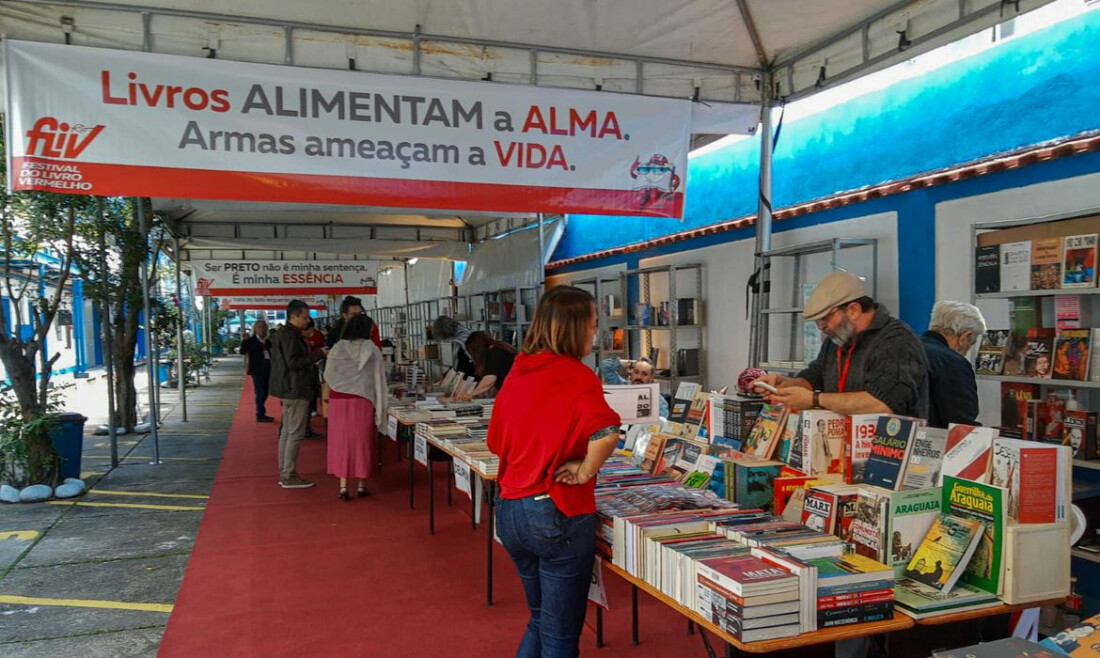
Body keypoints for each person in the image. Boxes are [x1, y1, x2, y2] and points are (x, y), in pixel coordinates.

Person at [488, 285, 621, 658]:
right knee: (561, 636)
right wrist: (584, 470)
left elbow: (496, 443)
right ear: (574, 327)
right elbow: (607, 432)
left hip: (511, 508)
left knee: (539, 620)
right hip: (556, 510)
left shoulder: (520, 368)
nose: (596, 334)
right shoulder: (576, 375)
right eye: (593, 325)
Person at [753, 271, 929, 419]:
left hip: (889, 453)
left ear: (853, 310)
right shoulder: (837, 340)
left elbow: (882, 403)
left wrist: (814, 400)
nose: (821, 326)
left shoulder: (897, 340)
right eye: (817, 321)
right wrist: (787, 384)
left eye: (825, 318)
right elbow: (814, 378)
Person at [324, 314, 387, 501]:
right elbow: (379, 378)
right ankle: (361, 485)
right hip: (362, 400)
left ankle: (343, 486)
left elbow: (328, 374)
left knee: (341, 441)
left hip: (338, 401)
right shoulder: (370, 349)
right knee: (362, 441)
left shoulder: (337, 348)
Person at [270, 299, 328, 489]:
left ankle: (285, 471)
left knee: (287, 433)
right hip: (296, 388)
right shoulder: (291, 336)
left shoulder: (282, 334)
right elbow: (294, 362)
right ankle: (289, 474)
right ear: (293, 316)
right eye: (304, 317)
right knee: (294, 434)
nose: (307, 321)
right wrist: (318, 354)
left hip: (287, 387)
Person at [922, 301, 986, 428]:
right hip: (933, 442)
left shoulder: (903, 349)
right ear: (964, 337)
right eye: (971, 343)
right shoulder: (954, 363)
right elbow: (960, 423)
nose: (967, 351)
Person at [599, 356, 670, 417]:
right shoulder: (621, 386)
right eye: (636, 372)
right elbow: (604, 365)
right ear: (631, 373)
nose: (639, 377)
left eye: (644, 374)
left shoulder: (658, 401)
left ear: (651, 377)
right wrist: (631, 363)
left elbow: (661, 425)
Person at [460, 331, 517, 399]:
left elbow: (489, 381)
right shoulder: (499, 349)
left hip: (517, 393)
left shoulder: (494, 354)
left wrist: (470, 395)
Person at [239, 320, 274, 422]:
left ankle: (260, 410)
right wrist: (244, 341)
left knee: (266, 391)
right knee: (260, 392)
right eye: (259, 327)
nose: (261, 329)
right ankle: (260, 414)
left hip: (268, 369)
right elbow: (242, 351)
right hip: (257, 370)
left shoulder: (269, 341)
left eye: (263, 327)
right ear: (255, 329)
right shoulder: (250, 341)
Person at [433, 315, 477, 379]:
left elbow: (471, 362)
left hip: (471, 377)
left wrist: (461, 379)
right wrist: (446, 375)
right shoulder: (456, 341)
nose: (446, 339)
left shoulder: (466, 339)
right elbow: (457, 363)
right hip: (464, 375)